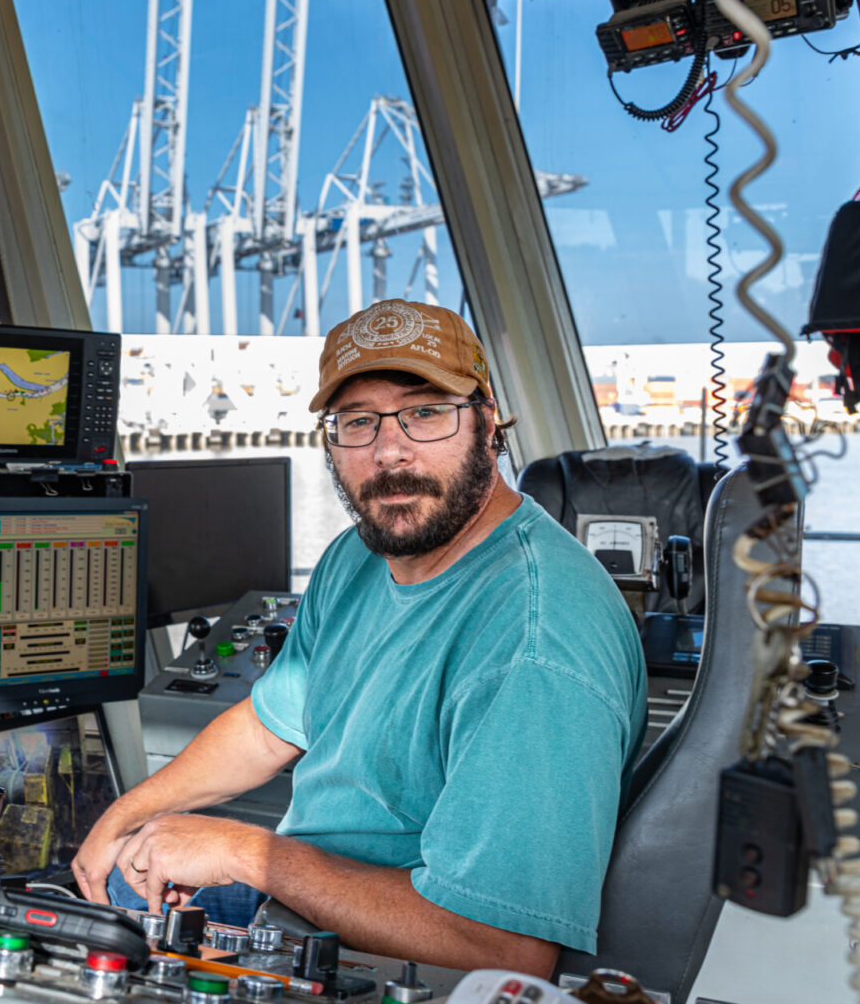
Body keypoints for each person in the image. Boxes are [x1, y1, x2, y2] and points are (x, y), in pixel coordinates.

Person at [72, 299, 646, 978]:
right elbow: (266, 728)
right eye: (357, 421)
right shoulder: (357, 558)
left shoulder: (532, 639)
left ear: (488, 421)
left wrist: (244, 853)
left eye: (424, 412)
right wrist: (124, 816)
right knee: (108, 884)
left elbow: (500, 950)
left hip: (394, 949)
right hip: (304, 896)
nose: (389, 451)